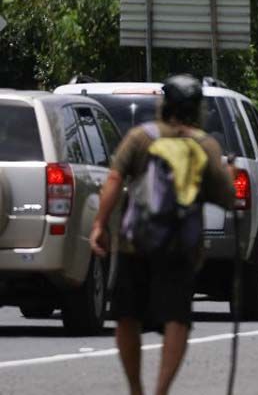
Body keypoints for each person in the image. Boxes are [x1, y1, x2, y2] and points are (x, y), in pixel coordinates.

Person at [89, 75, 235, 395]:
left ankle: (135, 388)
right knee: (177, 319)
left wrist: (100, 224)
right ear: (197, 110)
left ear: (164, 104)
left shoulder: (141, 137)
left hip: (134, 242)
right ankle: (162, 390)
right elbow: (226, 197)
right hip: (181, 247)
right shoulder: (205, 145)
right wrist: (228, 175)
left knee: (127, 316)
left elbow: (114, 178)